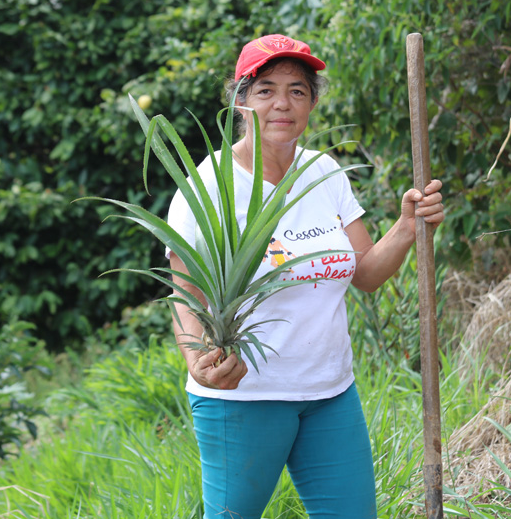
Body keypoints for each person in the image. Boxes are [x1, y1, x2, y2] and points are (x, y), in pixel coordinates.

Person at [165, 34, 445, 519]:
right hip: (246, 396)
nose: (282, 103)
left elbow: (366, 273)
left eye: (298, 90)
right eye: (265, 89)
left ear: (313, 102)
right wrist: (195, 358)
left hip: (330, 393)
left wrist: (407, 225)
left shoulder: (325, 172)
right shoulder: (208, 186)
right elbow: (184, 293)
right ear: (239, 99)